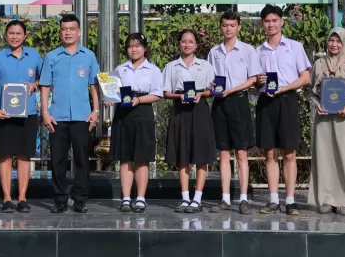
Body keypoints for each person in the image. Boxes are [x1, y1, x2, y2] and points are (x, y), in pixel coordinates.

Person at [40, 14, 100, 214]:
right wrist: (45, 112)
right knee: (57, 160)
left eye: (72, 29)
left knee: (82, 159)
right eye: (64, 29)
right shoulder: (51, 57)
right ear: (60, 32)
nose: (68, 33)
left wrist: (96, 111)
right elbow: (45, 86)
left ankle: (80, 199)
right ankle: (59, 199)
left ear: (79, 32)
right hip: (57, 117)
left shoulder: (89, 56)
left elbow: (94, 85)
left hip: (82, 117)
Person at [255, 5, 311, 216]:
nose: (271, 24)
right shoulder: (258, 51)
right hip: (266, 101)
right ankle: (273, 200)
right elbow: (253, 81)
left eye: (274, 20)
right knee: (269, 152)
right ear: (262, 24)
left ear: (282, 22)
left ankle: (290, 200)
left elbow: (305, 78)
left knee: (289, 152)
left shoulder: (295, 47)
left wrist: (284, 88)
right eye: (267, 21)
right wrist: (258, 81)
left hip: (287, 100)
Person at [0, 20, 43, 213]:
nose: (14, 37)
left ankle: (23, 198)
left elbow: (44, 78)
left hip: (28, 114)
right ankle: (7, 199)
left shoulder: (34, 56)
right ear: (6, 35)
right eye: (11, 33)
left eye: (18, 33)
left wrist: (34, 84)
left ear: (25, 36)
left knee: (24, 156)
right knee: (6, 156)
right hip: (4, 114)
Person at [308, 28, 345, 215]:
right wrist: (316, 104)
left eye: (338, 41)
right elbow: (310, 91)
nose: (334, 44)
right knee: (325, 157)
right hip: (323, 118)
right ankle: (326, 199)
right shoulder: (319, 64)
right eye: (331, 40)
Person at [207, 11, 261, 215]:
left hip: (239, 101)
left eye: (232, 25)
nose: (228, 29)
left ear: (239, 27)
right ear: (220, 27)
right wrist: (212, 86)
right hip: (220, 103)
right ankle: (225, 198)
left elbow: (253, 79)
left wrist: (232, 89)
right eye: (225, 25)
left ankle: (244, 199)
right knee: (223, 152)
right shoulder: (214, 52)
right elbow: (210, 79)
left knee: (241, 152)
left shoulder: (247, 50)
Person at [108, 33, 163, 213]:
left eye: (138, 45)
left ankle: (140, 198)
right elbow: (112, 92)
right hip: (123, 113)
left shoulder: (153, 70)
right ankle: (125, 198)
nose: (134, 49)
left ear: (144, 48)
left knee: (142, 158)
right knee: (125, 158)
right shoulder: (120, 69)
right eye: (131, 46)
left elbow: (157, 94)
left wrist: (139, 100)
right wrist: (109, 99)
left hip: (143, 112)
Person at [163, 28, 216, 213]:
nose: (187, 44)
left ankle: (197, 199)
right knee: (182, 154)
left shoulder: (205, 65)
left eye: (191, 41)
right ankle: (185, 198)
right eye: (184, 41)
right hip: (180, 110)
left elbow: (213, 89)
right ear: (179, 44)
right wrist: (178, 96)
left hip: (200, 110)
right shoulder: (171, 66)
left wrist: (203, 94)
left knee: (201, 154)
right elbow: (165, 92)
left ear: (196, 45)